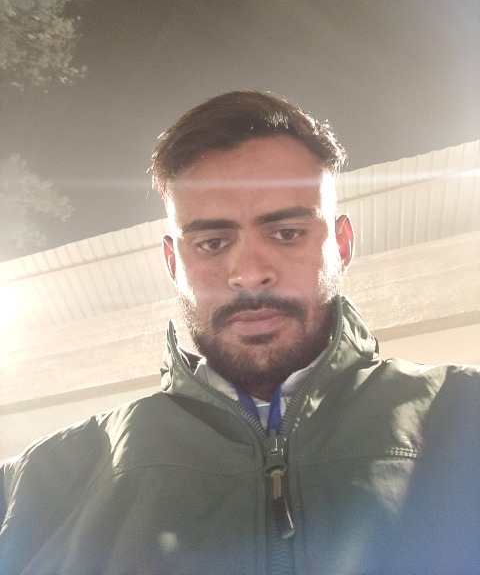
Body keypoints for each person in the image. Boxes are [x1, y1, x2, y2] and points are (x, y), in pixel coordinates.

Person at [0, 91, 479, 575]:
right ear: (173, 263)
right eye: (212, 242)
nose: (249, 274)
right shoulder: (37, 484)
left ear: (341, 244)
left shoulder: (466, 413)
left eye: (287, 233)